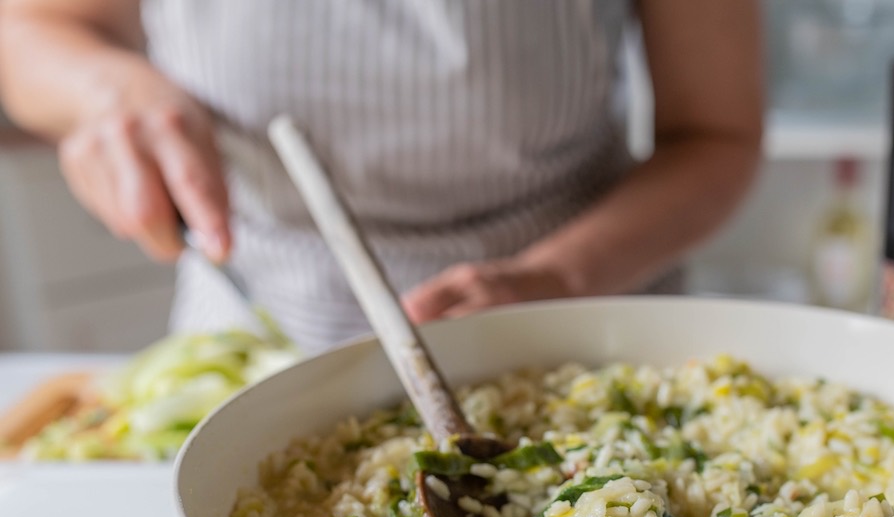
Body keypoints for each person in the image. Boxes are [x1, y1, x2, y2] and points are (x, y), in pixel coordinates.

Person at [0, 1, 764, 353]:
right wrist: (103, 91)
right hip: (260, 333)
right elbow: (34, 27)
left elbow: (716, 135)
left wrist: (555, 277)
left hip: (576, 331)